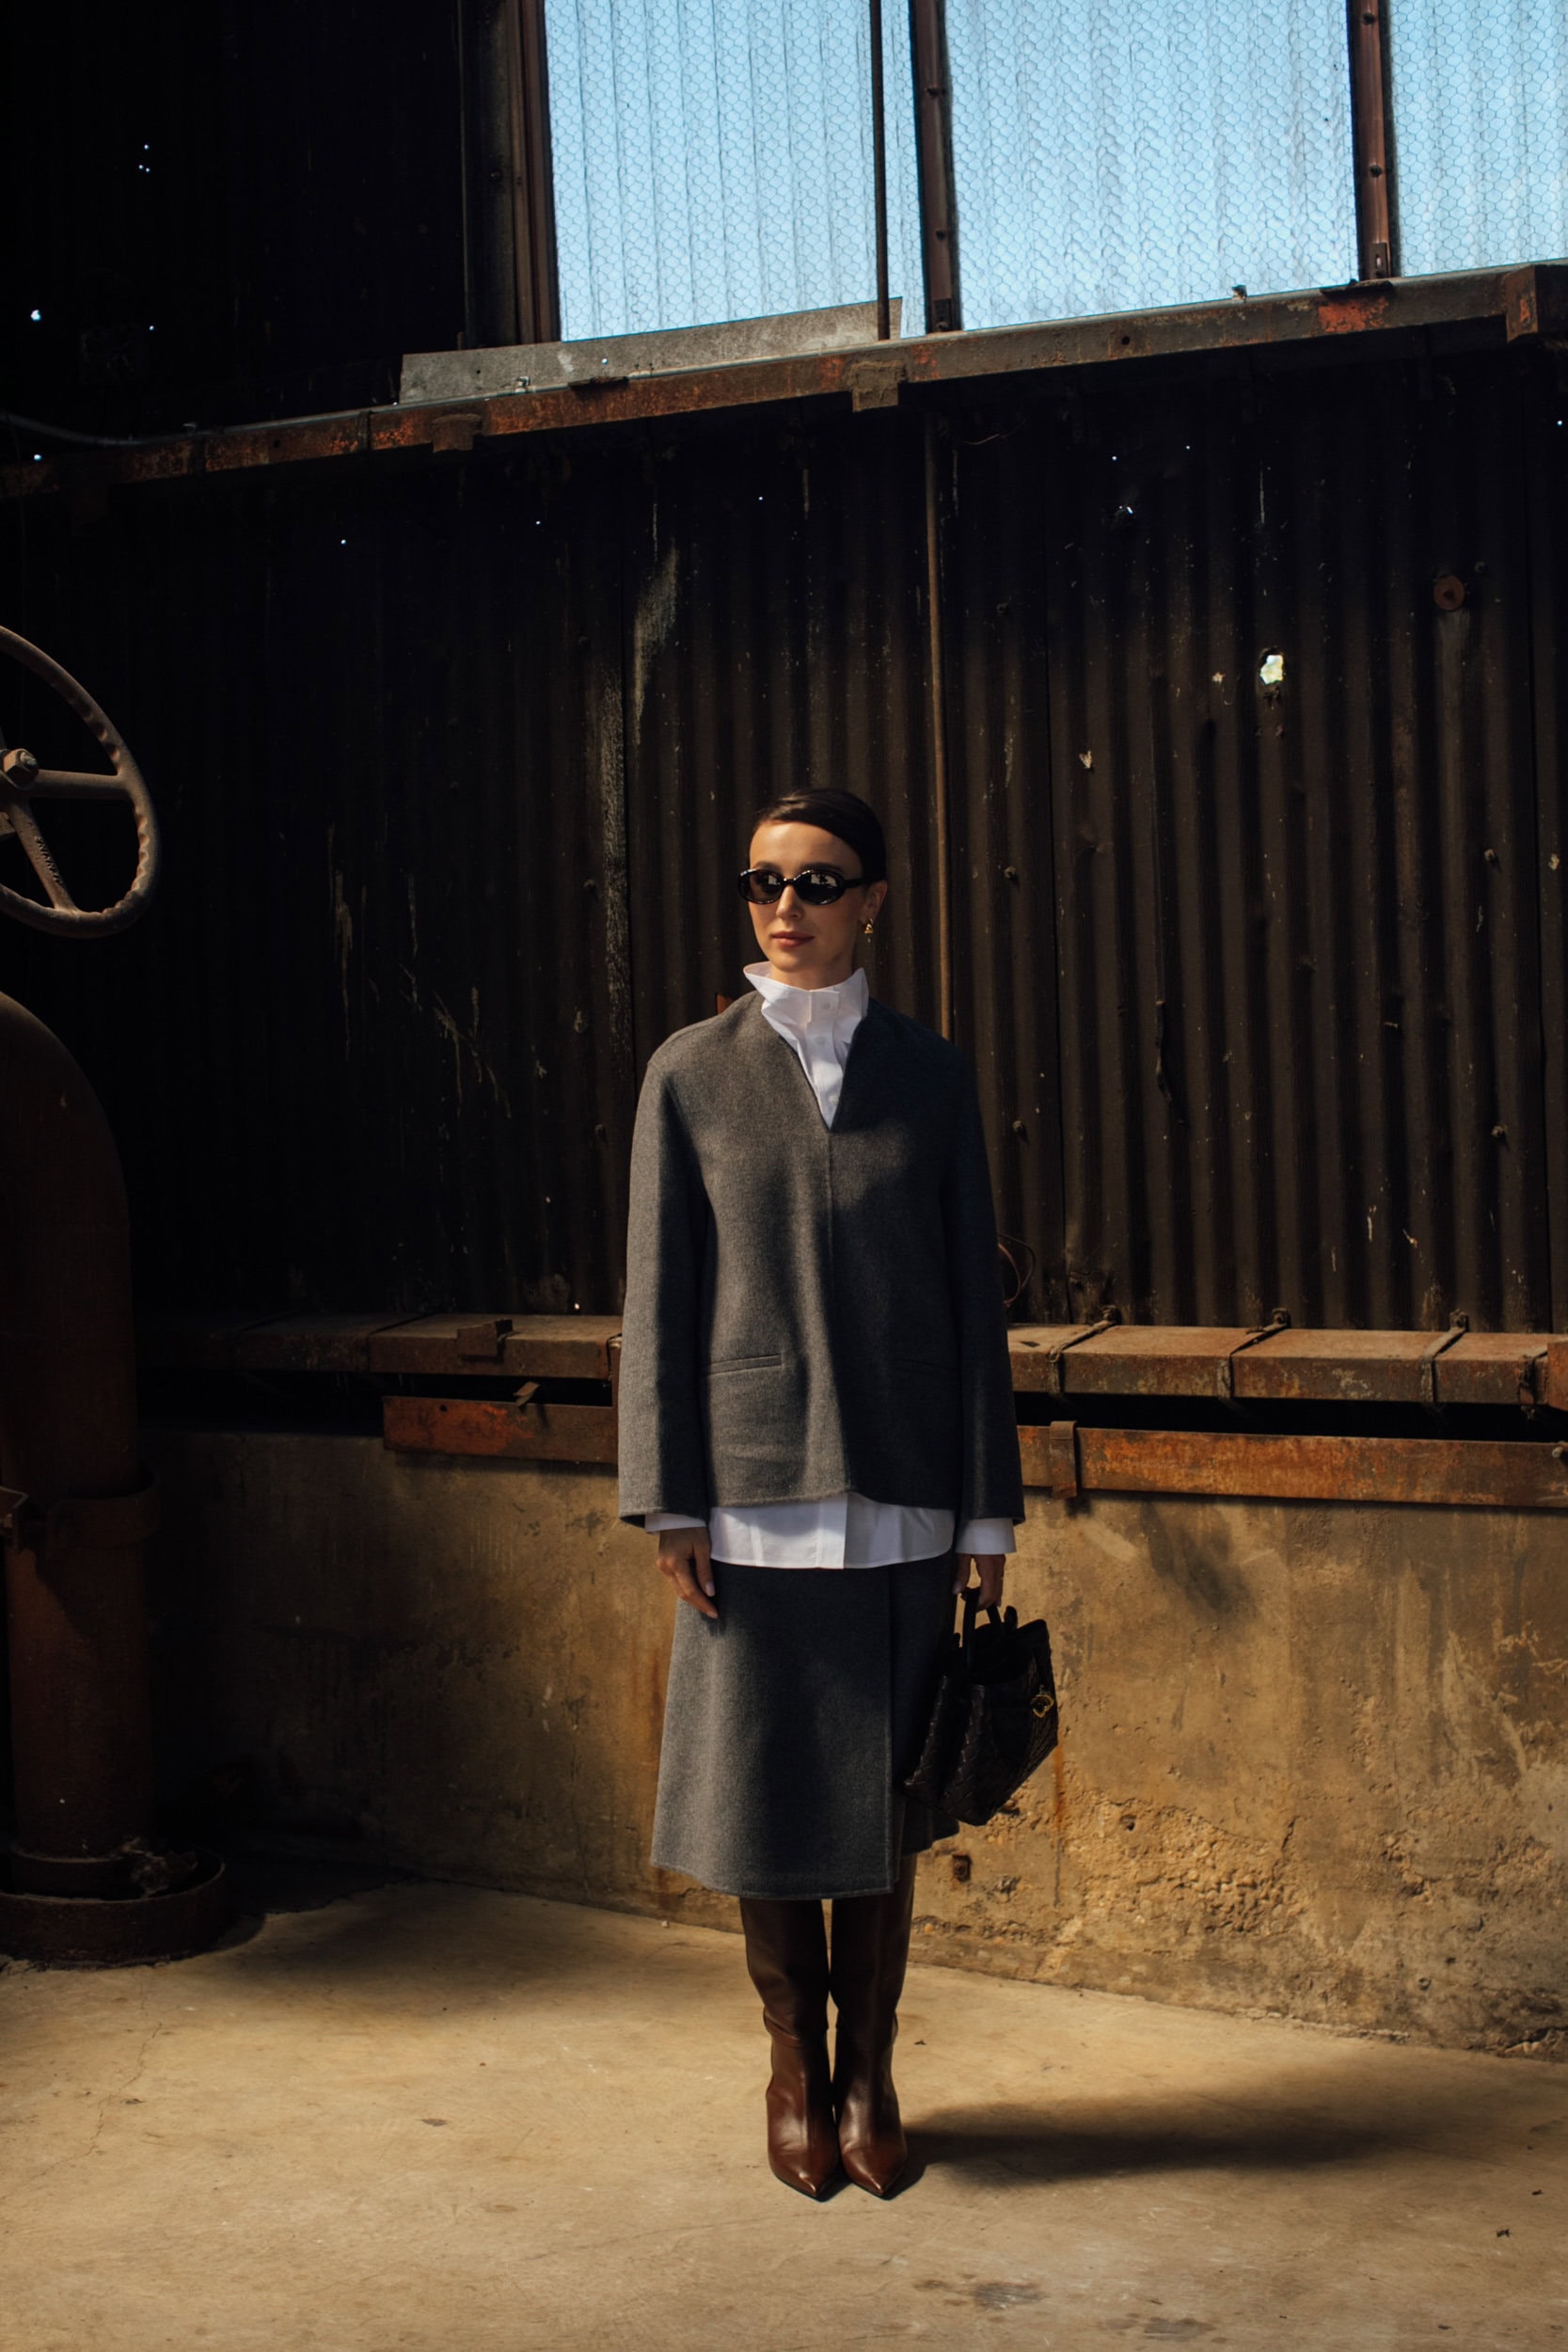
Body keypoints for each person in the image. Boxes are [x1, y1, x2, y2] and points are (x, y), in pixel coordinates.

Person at [617, 787, 1023, 2200]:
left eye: (817, 881)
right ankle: (795, 2064)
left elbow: (972, 1302)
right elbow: (659, 1300)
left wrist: (987, 1508)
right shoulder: (690, 1074)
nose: (785, 907)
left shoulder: (931, 1076)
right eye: (763, 881)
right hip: (747, 1496)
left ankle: (871, 2075)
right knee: (767, 1792)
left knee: (885, 1807)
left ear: (873, 901)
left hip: (907, 1492)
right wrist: (667, 1499)